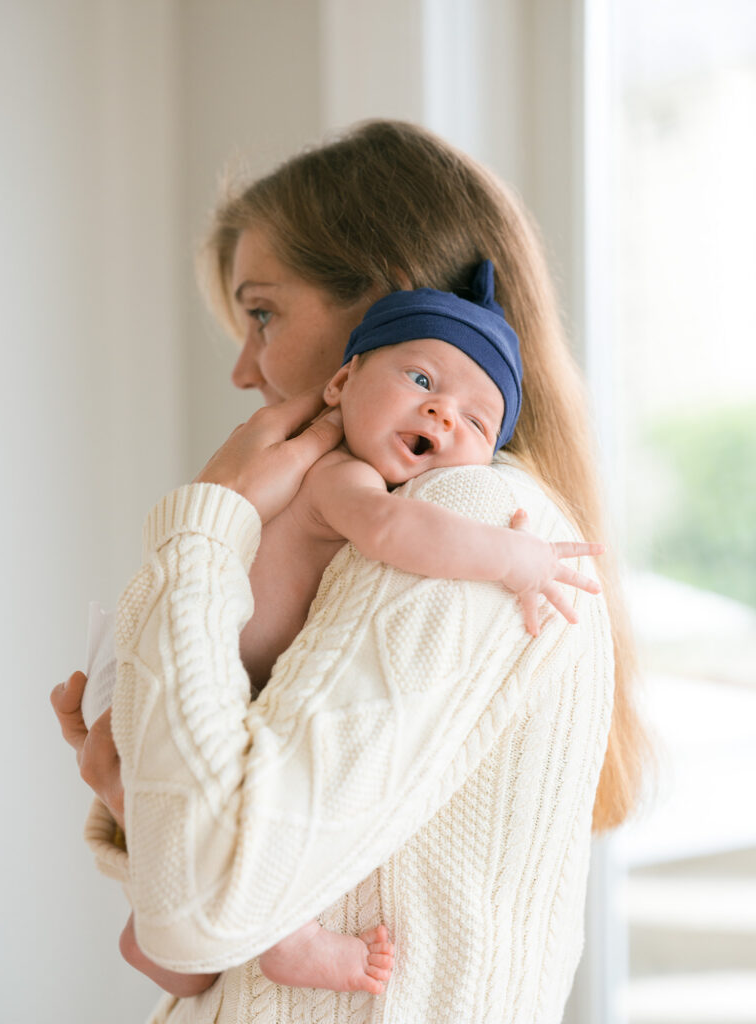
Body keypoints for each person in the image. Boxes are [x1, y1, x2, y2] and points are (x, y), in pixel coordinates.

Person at [52, 120, 647, 1024]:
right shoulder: (384, 517)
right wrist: (134, 796)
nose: (244, 367)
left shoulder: (469, 514)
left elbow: (200, 911)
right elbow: (205, 928)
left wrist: (210, 516)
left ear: (382, 307)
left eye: (262, 314)